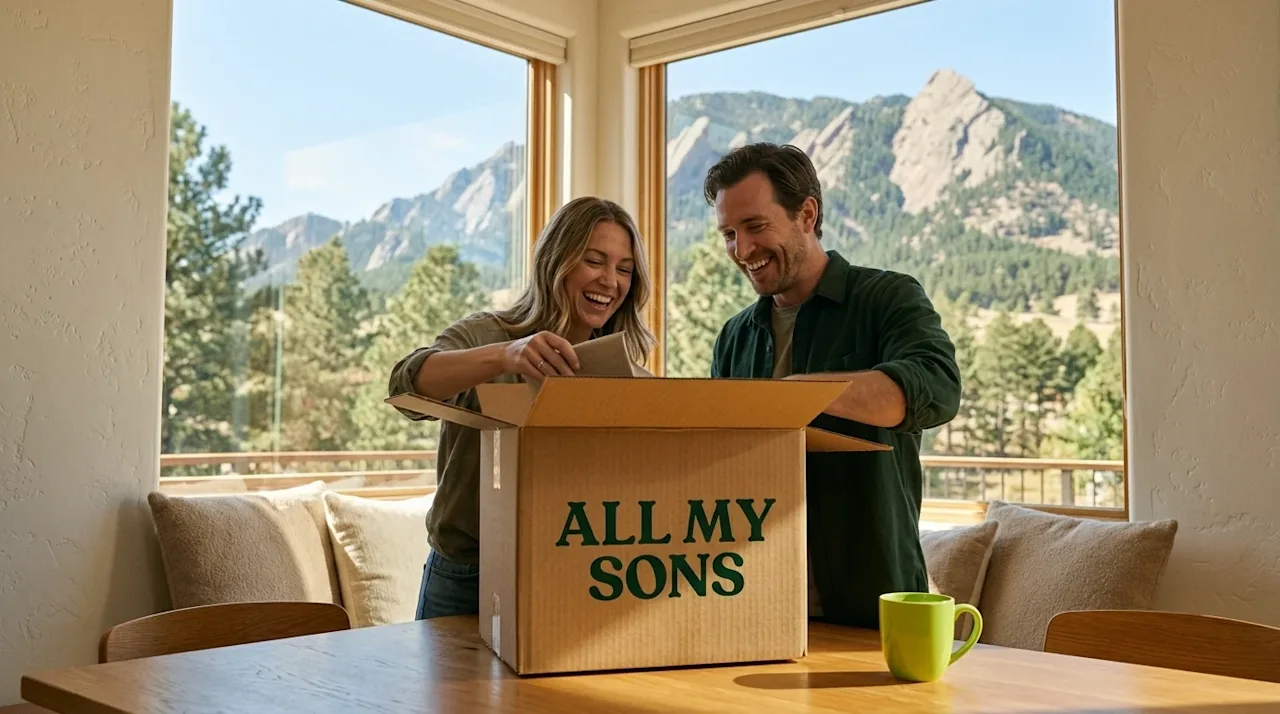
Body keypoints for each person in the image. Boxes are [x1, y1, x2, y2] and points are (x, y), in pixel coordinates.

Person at [704, 142, 961, 629]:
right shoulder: (733, 336)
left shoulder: (887, 297)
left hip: (873, 603)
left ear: (806, 213)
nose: (742, 251)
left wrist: (793, 396)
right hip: (754, 603)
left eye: (756, 227)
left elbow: (937, 386)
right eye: (729, 234)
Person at [388, 196, 656, 620]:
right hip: (466, 577)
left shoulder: (625, 374)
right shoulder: (488, 334)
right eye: (594, 261)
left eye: (624, 269)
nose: (610, 280)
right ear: (557, 260)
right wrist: (504, 356)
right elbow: (407, 385)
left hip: (574, 574)